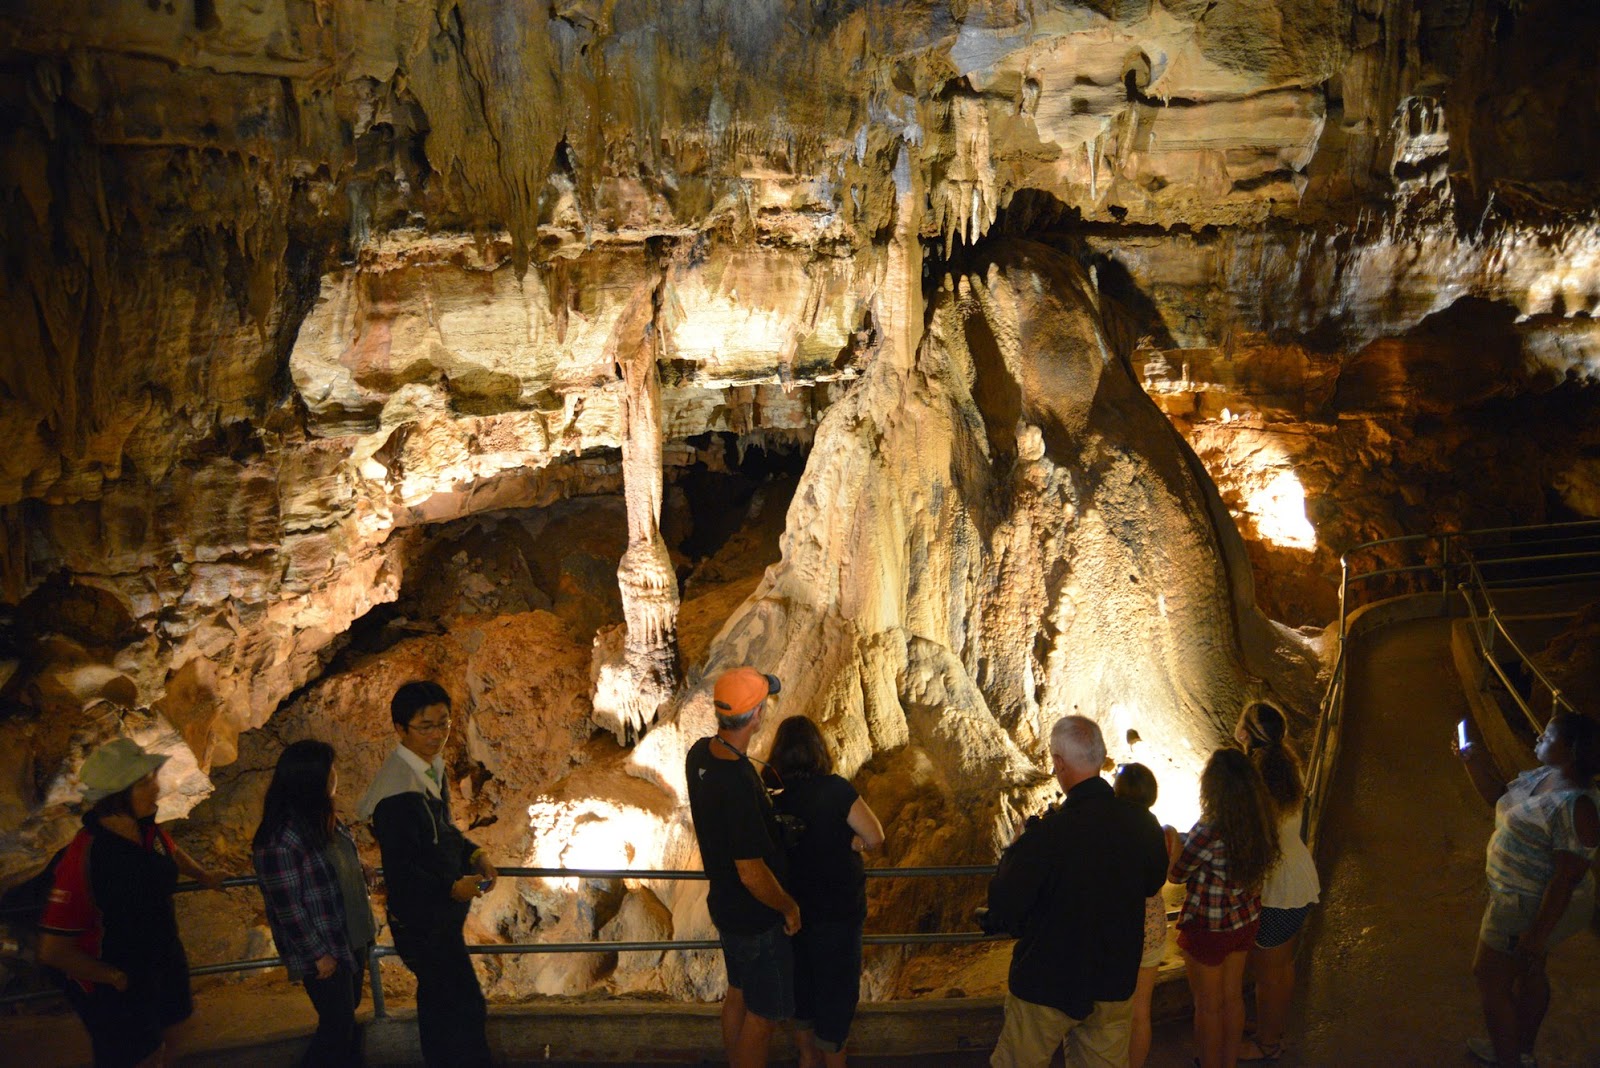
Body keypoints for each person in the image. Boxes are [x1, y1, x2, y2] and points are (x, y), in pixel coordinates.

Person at [984, 716, 1169, 1068]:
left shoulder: (1047, 835)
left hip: (1047, 982)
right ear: (1099, 759)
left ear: (1059, 763)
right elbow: (1152, 883)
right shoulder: (1142, 825)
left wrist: (1016, 855)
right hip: (1113, 979)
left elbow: (1006, 903)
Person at [38, 737, 224, 1068]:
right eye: (146, 781)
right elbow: (53, 951)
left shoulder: (148, 831)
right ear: (118, 794)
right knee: (137, 1057)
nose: (157, 788)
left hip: (160, 961)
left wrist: (205, 875)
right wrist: (114, 977)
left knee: (176, 1033)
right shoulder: (86, 857)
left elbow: (172, 852)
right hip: (115, 979)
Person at [357, 681, 498, 1067]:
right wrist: (452, 887)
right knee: (463, 1005)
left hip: (437, 918)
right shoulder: (397, 793)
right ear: (400, 729)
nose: (437, 735)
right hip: (423, 922)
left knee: (442, 1004)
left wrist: (476, 854)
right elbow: (402, 870)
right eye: (426, 726)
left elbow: (445, 832)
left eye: (444, 724)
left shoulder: (427, 768)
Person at [1456, 711, 1599, 1068]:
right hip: (1523, 895)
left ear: (1569, 749)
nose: (1538, 736)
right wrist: (1472, 764)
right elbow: (1501, 799)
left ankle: (1509, 1060)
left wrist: (1536, 936)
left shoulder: (1578, 805)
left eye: (1547, 736)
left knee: (1489, 978)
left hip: (1527, 903)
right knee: (1531, 971)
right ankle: (1518, 1051)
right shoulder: (1548, 775)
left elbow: (1566, 877)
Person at [685, 666, 801, 1068]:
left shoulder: (699, 754)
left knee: (737, 991)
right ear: (755, 716)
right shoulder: (736, 782)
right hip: (755, 917)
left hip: (725, 906)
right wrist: (787, 907)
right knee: (764, 1015)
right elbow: (752, 872)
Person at [767, 715, 886, 1068]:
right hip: (837, 914)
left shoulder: (772, 794)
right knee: (835, 996)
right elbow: (876, 836)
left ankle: (807, 1060)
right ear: (818, 750)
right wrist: (856, 843)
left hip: (792, 914)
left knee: (802, 992)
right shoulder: (835, 790)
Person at [253, 739, 377, 1066]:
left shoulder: (324, 817)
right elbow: (287, 906)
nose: (335, 775)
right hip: (325, 946)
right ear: (311, 779)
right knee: (336, 1026)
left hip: (350, 936)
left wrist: (359, 868)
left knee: (344, 1017)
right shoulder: (280, 838)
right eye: (329, 769)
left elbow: (335, 860)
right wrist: (317, 954)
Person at [1169, 746, 1279, 1068]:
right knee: (1232, 999)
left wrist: (1173, 839)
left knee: (1207, 1006)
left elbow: (1176, 875)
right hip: (1245, 919)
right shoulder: (1260, 821)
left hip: (1209, 926)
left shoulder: (1209, 829)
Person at [1233, 702, 1319, 1063]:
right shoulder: (1287, 765)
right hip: (1297, 879)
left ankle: (1268, 1043)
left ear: (1247, 734)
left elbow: (1254, 836)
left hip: (1278, 888)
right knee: (1282, 967)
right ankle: (1272, 1028)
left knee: (1270, 973)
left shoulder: (1257, 778)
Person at [1112, 762, 1180, 1068]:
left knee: (1109, 1012)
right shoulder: (1164, 834)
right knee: (1141, 1012)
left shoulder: (1108, 830)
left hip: (1115, 927)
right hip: (1151, 928)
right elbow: (1169, 875)